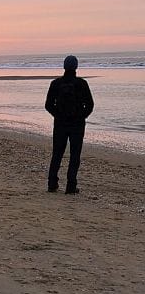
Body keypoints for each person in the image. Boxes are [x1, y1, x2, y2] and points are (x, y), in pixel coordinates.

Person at [45, 55, 94, 194]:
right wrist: (81, 116)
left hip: (60, 124)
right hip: (77, 125)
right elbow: (90, 105)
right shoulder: (82, 84)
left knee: (57, 154)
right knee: (75, 155)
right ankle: (71, 186)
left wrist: (58, 115)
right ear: (76, 67)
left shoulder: (56, 83)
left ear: (64, 67)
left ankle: (52, 184)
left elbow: (48, 105)